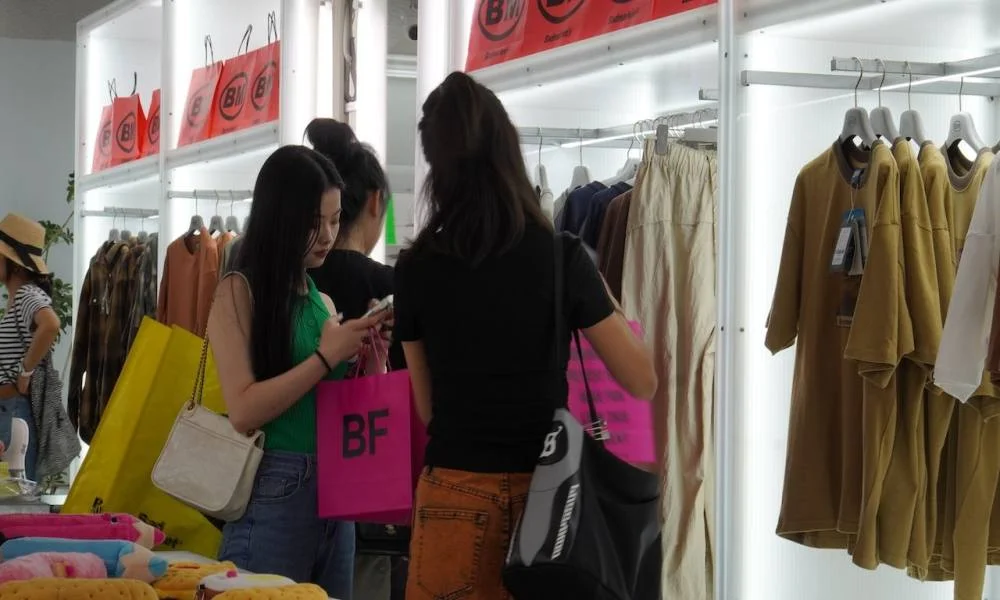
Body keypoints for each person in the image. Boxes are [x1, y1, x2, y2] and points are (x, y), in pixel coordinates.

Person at [394, 71, 658, 599]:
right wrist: (594, 286)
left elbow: (427, 407)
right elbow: (641, 379)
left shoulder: (415, 267)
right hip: (552, 504)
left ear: (436, 166)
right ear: (508, 152)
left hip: (453, 495)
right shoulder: (561, 258)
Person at [207, 145, 388, 599]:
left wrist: (373, 357)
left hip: (337, 490)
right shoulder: (237, 292)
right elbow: (243, 410)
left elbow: (340, 408)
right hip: (275, 484)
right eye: (314, 223)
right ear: (280, 218)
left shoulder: (321, 301)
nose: (328, 235)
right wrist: (325, 357)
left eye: (335, 220)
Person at [305, 118, 407, 600]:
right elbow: (406, 385)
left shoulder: (296, 281)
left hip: (290, 472)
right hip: (365, 477)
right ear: (374, 202)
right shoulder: (390, 287)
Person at [0, 213, 61, 482]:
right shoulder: (18, 298)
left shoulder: (26, 294)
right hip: (11, 410)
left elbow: (51, 324)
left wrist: (25, 372)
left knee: (15, 495)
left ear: (14, 264)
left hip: (15, 412)